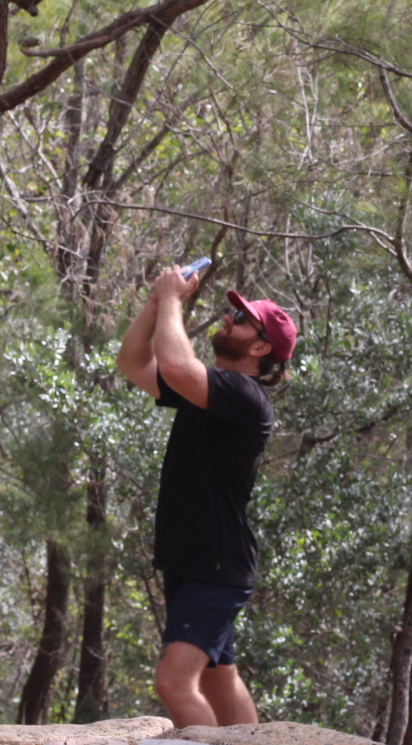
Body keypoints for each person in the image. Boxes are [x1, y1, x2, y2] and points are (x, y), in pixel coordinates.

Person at [116, 266, 298, 727]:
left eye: (241, 319)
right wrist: (158, 304)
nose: (229, 318)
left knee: (174, 683)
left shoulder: (245, 395)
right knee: (219, 679)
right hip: (197, 560)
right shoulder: (209, 391)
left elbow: (177, 365)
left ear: (260, 348)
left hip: (215, 566)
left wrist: (174, 301)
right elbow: (135, 364)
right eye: (233, 312)